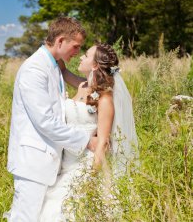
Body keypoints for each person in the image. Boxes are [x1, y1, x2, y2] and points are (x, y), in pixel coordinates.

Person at [5, 17, 98, 221]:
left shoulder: (56, 67)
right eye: (75, 46)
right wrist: (86, 141)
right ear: (60, 41)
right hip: (33, 162)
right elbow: (45, 122)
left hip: (51, 162)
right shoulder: (34, 69)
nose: (77, 52)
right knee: (25, 217)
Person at [39, 43, 139, 221]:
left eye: (85, 55)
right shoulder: (82, 85)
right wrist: (55, 46)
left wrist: (91, 179)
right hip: (66, 161)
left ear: (94, 65)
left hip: (85, 164)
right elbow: (62, 70)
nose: (80, 57)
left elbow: (103, 143)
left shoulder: (105, 98)